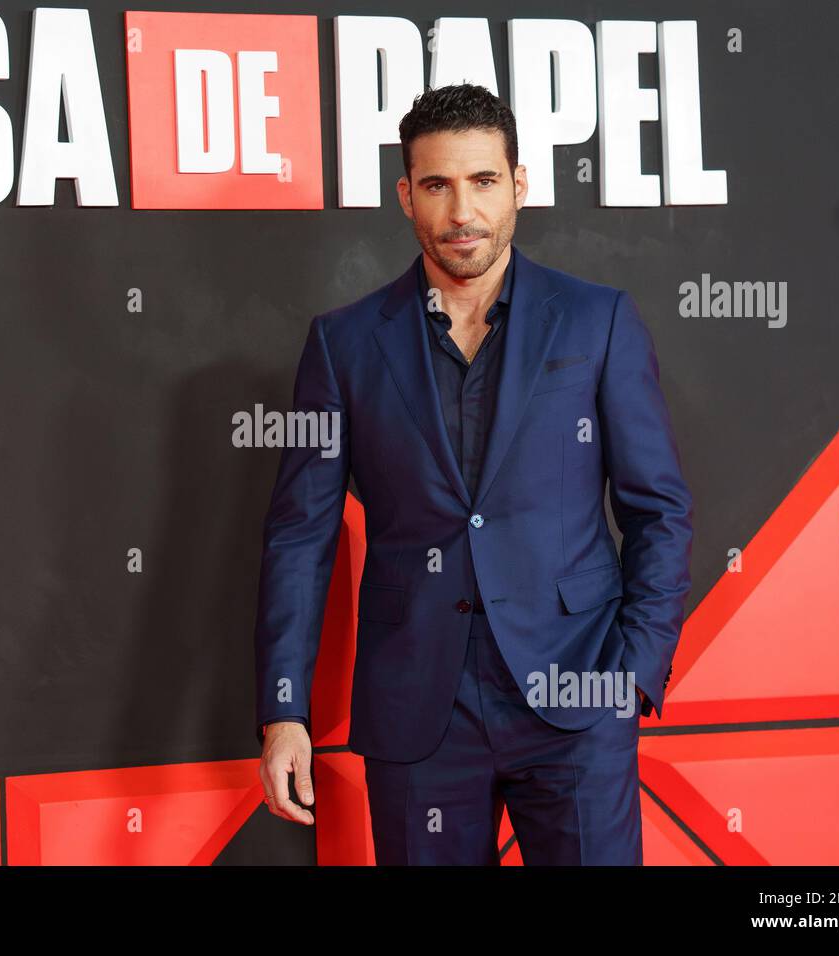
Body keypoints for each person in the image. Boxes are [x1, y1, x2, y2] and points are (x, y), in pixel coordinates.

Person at [253, 82, 693, 864]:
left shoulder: (597, 320)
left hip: (577, 696)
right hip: (420, 714)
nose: (463, 212)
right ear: (405, 196)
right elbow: (300, 534)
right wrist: (283, 710)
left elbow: (657, 507)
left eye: (484, 181)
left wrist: (631, 675)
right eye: (437, 185)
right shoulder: (343, 346)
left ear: (519, 185)